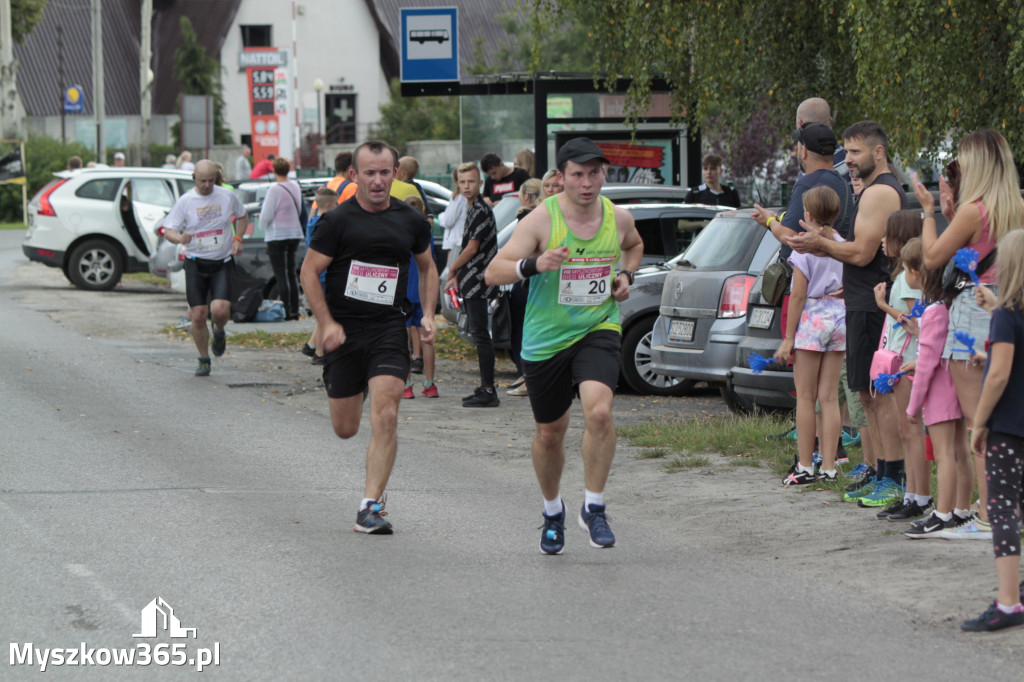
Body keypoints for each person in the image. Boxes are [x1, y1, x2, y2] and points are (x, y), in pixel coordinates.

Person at [484, 137, 644, 554]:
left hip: (598, 326)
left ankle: (594, 506)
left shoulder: (618, 217)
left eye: (595, 173)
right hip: (546, 339)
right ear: (561, 177)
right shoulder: (541, 220)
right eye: (578, 174)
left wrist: (626, 277)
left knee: (600, 409)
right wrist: (534, 264)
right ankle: (553, 512)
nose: (587, 183)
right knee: (550, 433)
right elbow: (493, 272)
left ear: (604, 174)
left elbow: (634, 246)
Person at [299, 140, 437, 535]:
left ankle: (370, 506)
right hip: (344, 331)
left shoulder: (410, 221)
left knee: (388, 412)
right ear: (354, 175)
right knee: (346, 428)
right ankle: (354, 385)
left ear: (395, 173)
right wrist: (325, 322)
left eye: (384, 172)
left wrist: (427, 313)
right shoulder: (337, 221)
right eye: (369, 173)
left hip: (388, 329)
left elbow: (428, 268)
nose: (377, 181)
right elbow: (309, 273)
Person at [787, 121, 907, 510]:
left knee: (877, 394)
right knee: (863, 392)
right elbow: (858, 254)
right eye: (847, 152)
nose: (848, 160)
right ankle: (877, 468)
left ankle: (892, 476)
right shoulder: (870, 192)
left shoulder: (880, 193)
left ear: (878, 152)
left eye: (855, 153)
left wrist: (819, 243)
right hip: (855, 300)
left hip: (872, 306)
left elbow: (861, 254)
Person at [913, 128, 1024, 539]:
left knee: (979, 424)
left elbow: (931, 257)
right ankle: (1001, 509)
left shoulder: (973, 211)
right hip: (1009, 303)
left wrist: (928, 211)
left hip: (973, 310)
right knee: (1002, 417)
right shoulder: (1017, 207)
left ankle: (988, 517)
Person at [962, 230, 1024, 631]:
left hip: (1008, 428)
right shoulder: (1007, 312)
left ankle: (1008, 603)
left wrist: (979, 422)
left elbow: (1000, 373)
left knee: (1002, 509)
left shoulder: (1008, 314)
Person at [774, 186, 846, 486]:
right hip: (840, 316)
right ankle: (829, 466)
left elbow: (799, 295)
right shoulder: (841, 242)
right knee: (829, 398)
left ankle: (805, 465)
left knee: (805, 397)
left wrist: (789, 337)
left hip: (814, 316)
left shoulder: (803, 247)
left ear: (808, 214)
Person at [901, 263, 973, 537]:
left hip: (939, 393)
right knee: (961, 450)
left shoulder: (932, 313)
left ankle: (942, 514)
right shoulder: (951, 309)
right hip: (958, 388)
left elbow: (926, 364)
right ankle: (961, 509)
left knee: (944, 455)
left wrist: (913, 406)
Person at [160, 160, 248, 376]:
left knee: (220, 310)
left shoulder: (226, 196)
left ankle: (219, 330)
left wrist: (237, 238)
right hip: (195, 263)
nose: (207, 185)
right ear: (194, 179)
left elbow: (243, 216)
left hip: (222, 262)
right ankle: (203, 358)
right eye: (202, 181)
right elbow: (168, 230)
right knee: (198, 315)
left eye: (210, 180)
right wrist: (180, 237)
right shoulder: (186, 200)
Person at [871, 233, 930, 519]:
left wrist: (883, 305)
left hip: (908, 361)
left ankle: (919, 497)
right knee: (908, 430)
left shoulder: (909, 281)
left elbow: (910, 321)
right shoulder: (907, 276)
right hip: (905, 360)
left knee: (911, 428)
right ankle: (912, 494)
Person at [445, 162, 500, 408]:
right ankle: (485, 386)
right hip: (471, 277)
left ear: (480, 183)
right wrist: (457, 273)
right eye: (462, 181)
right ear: (457, 183)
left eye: (471, 181)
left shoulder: (479, 209)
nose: (466, 186)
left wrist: (453, 268)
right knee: (478, 333)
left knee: (481, 335)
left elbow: (472, 247)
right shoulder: (470, 207)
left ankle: (488, 389)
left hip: (478, 278)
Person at [507, 179, 543, 397]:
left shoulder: (527, 217)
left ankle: (526, 374)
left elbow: (518, 252)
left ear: (526, 196)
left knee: (523, 328)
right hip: (529, 277)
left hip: (528, 279)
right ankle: (524, 374)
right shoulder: (540, 217)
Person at [401, 195, 439, 398]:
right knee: (427, 338)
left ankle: (406, 385)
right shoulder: (427, 233)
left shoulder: (400, 232)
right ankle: (430, 384)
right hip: (423, 291)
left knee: (403, 339)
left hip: (404, 290)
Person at [259, 157, 305, 321]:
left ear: (273, 170)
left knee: (281, 274)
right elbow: (300, 209)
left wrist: (261, 224)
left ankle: (285, 309)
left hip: (277, 235)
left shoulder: (274, 189)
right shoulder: (295, 186)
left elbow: (266, 215)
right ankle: (294, 310)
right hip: (294, 233)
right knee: (291, 273)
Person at [301, 187, 339, 365]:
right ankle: (319, 352)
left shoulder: (312, 221)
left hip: (316, 272)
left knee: (324, 311)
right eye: (337, 203)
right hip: (324, 273)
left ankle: (312, 344)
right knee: (326, 312)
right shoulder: (325, 223)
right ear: (330, 204)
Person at [438, 166, 467, 270]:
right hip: (462, 241)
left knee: (452, 273)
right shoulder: (467, 197)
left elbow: (448, 221)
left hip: (456, 243)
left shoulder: (457, 198)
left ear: (455, 180)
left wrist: (441, 216)